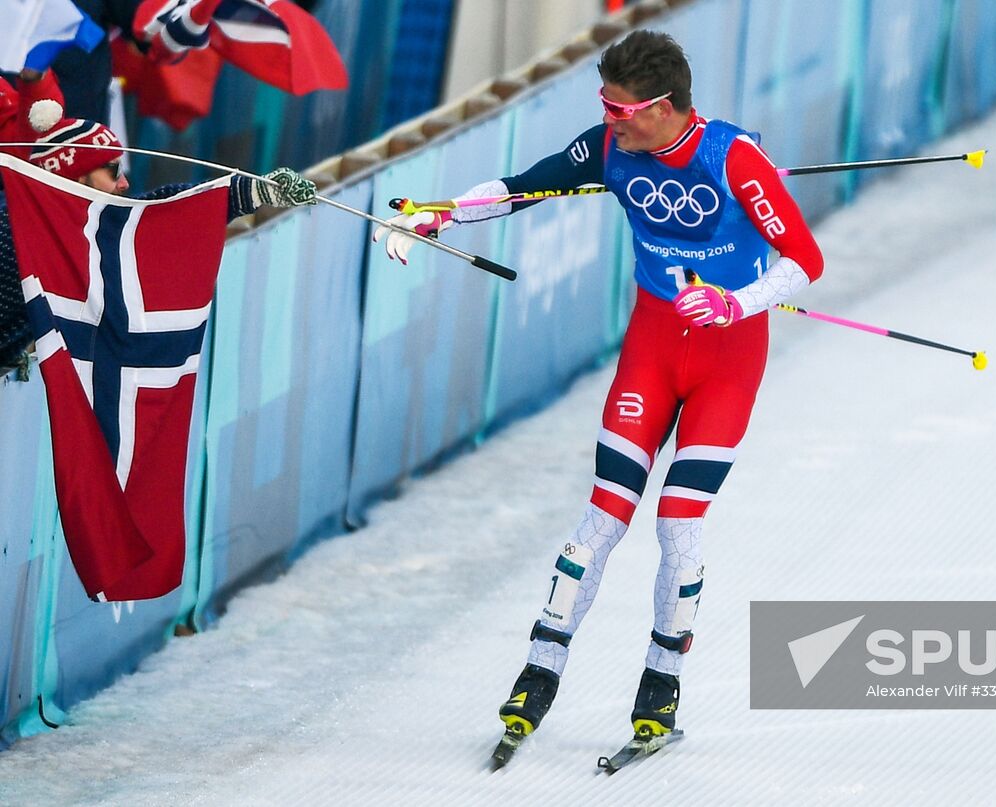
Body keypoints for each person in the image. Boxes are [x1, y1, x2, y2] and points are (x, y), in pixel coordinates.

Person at [375, 30, 824, 746]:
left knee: (677, 521)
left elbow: (805, 259)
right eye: (603, 105)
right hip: (653, 347)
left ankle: (661, 681)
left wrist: (736, 303)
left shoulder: (735, 158)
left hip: (728, 357)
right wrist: (441, 211)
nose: (608, 120)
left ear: (666, 106)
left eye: (620, 108)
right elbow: (528, 185)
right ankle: (541, 666)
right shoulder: (615, 147)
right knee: (603, 516)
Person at [0, 98, 317, 379]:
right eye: (112, 171)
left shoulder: (71, 225)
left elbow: (159, 213)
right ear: (74, 177)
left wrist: (253, 191)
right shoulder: (13, 234)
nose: (124, 183)